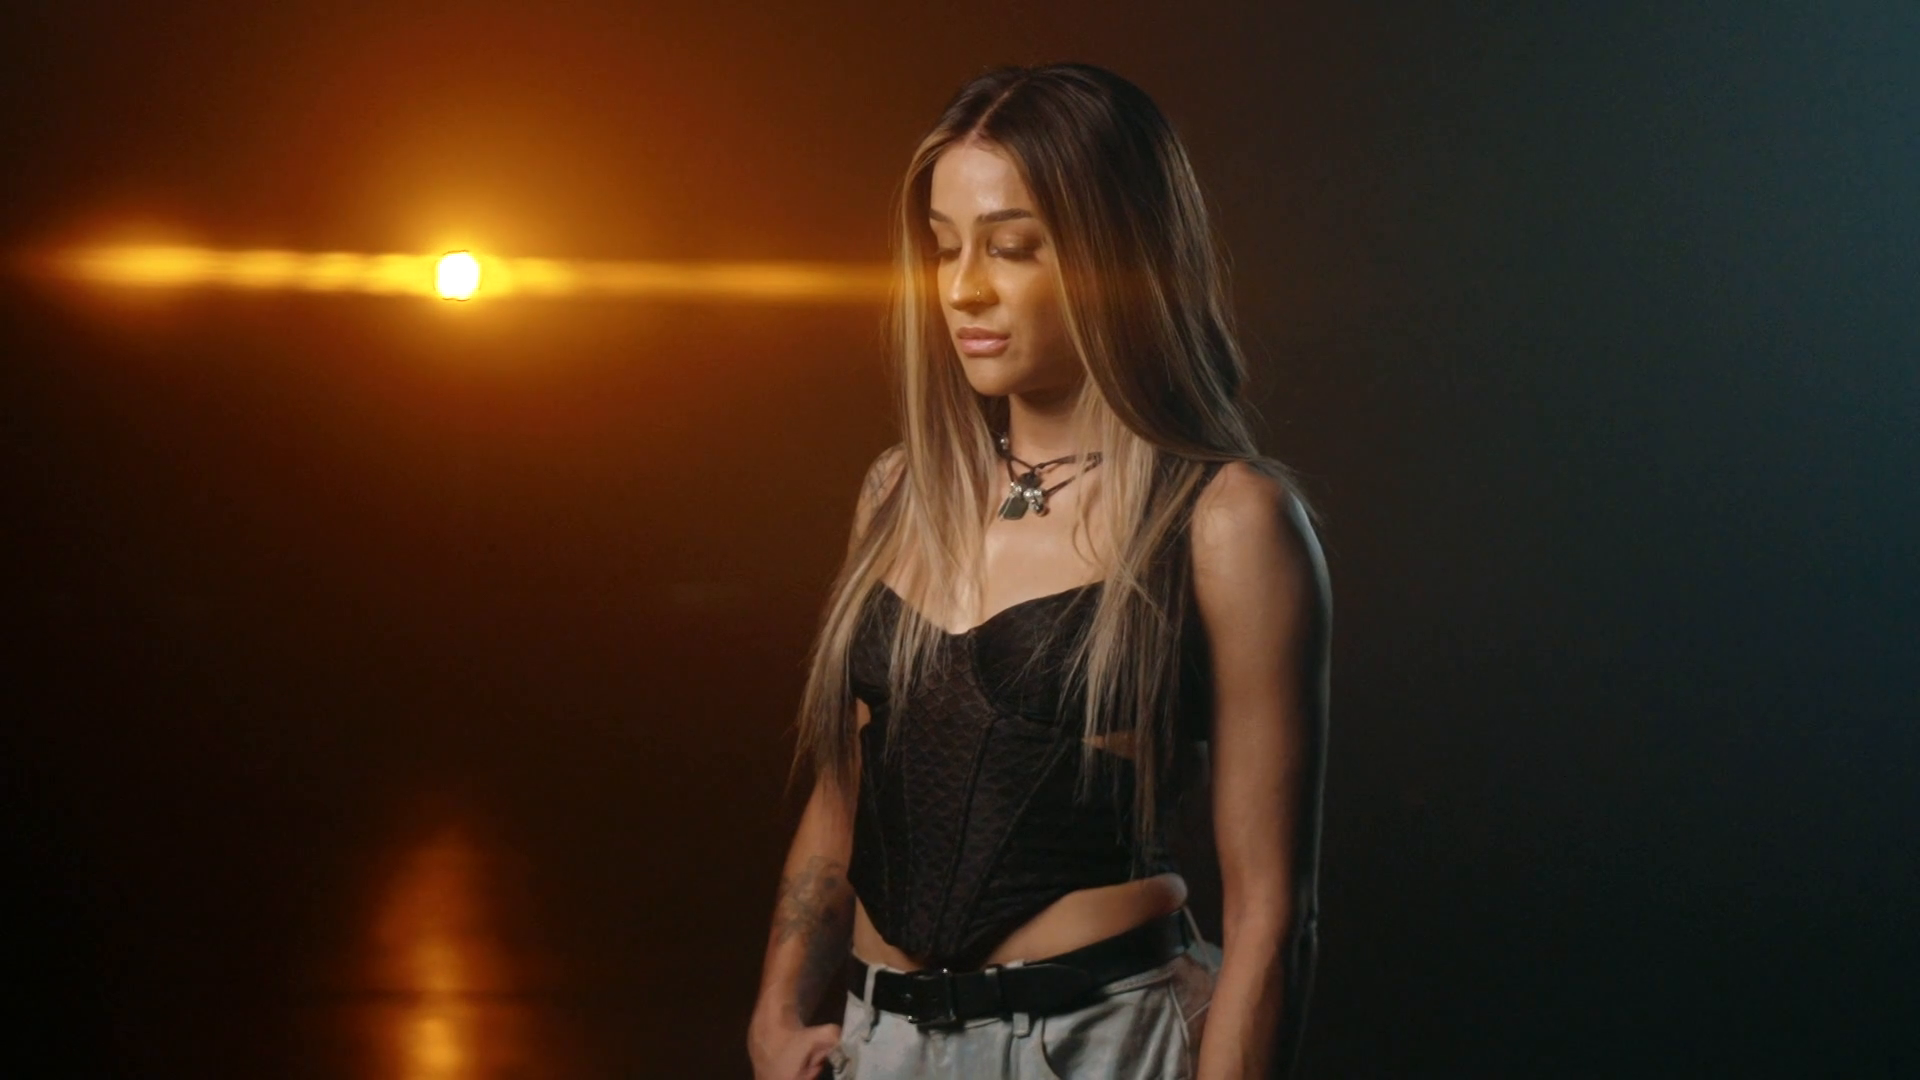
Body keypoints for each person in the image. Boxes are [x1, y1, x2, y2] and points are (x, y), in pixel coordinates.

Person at [747, 62, 1330, 1080]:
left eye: (1012, 247)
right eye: (945, 246)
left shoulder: (1225, 521)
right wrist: (778, 1009)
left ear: (1119, 255)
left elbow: (1274, 912)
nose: (963, 287)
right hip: (881, 1043)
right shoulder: (901, 491)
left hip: (1094, 1044)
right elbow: (847, 788)